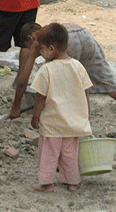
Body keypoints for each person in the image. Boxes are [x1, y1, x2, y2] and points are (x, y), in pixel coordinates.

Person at [10, 22, 116, 149]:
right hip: (84, 35)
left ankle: (67, 138)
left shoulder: (38, 42)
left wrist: (16, 108)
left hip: (68, 44)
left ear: (29, 39)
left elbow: (23, 80)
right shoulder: (52, 31)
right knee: (113, 87)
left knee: (62, 91)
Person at [30, 23, 92, 192]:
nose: (40, 52)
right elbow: (85, 91)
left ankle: (46, 183)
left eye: (41, 49)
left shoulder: (46, 70)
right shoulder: (78, 66)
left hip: (53, 123)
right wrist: (87, 113)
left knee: (48, 154)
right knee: (70, 154)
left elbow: (40, 97)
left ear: (51, 48)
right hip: (73, 122)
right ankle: (72, 182)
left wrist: (35, 117)